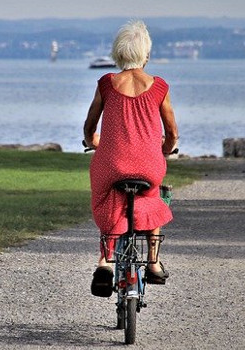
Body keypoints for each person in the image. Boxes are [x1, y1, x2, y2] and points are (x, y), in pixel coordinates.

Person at [83, 20, 179, 297]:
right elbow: (171, 131)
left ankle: (105, 262)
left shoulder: (107, 83)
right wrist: (166, 148)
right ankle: (153, 262)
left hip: (112, 164)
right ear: (146, 54)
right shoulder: (159, 86)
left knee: (108, 196)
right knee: (153, 197)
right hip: (149, 165)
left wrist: (94, 142)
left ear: (118, 53)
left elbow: (90, 127)